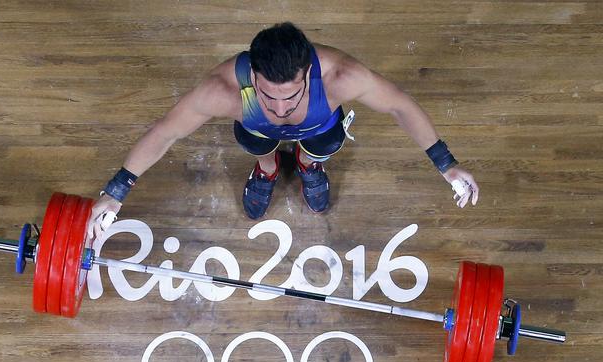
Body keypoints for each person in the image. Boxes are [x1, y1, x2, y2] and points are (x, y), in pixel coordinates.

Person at [88, 22, 479, 238]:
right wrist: (116, 192)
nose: (278, 109)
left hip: (320, 127)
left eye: (289, 98)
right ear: (253, 75)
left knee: (322, 142)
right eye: (267, 96)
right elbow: (165, 132)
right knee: (255, 136)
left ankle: (309, 166)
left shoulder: (344, 76)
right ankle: (268, 169)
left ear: (309, 74)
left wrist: (447, 165)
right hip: (255, 133)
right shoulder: (221, 90)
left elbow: (399, 105)